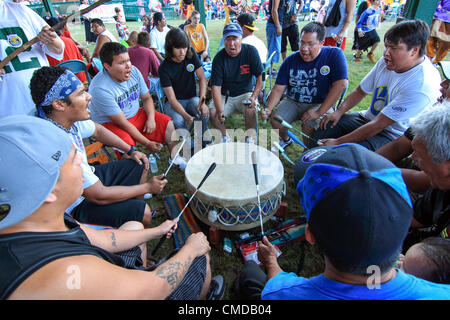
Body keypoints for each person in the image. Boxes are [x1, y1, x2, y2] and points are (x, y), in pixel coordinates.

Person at [0, 114, 223, 300]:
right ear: (47, 191)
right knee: (198, 259)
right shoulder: (61, 273)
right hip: (141, 290)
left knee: (135, 227)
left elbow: (104, 240)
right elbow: (153, 289)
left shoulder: (42, 223)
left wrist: (158, 230)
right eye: (72, 158)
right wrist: (190, 249)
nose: (82, 159)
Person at [237, 143, 450, 299]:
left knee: (250, 275)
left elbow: (276, 281)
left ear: (309, 235)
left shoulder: (282, 293)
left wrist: (272, 261)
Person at [30, 66, 166, 228]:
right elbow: (98, 195)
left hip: (85, 184)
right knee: (142, 212)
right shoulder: (58, 146)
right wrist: (148, 187)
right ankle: (137, 219)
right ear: (59, 104)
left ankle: (133, 210)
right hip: (74, 206)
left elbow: (97, 130)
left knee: (139, 163)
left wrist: (130, 150)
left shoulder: (59, 117)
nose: (89, 96)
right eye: (81, 93)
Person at [310, 20, 441, 152]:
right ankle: (307, 162)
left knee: (346, 152)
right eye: (386, 46)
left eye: (393, 48)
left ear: (414, 50)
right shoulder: (387, 61)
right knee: (327, 125)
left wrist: (338, 142)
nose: (386, 53)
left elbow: (379, 125)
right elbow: (360, 91)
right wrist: (338, 112)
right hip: (368, 119)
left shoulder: (421, 84)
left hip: (392, 135)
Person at [88, 42, 187, 169]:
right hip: (110, 124)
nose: (128, 66)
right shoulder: (100, 88)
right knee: (130, 151)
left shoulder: (134, 71)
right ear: (107, 66)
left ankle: (175, 158)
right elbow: (122, 123)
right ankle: (138, 185)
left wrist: (151, 118)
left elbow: (146, 98)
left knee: (168, 124)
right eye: (121, 63)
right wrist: (147, 143)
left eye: (128, 60)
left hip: (134, 114)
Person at [262, 22, 348, 147]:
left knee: (309, 125)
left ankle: (308, 151)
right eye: (302, 42)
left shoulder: (334, 54)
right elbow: (278, 90)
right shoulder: (290, 60)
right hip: (293, 101)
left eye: (310, 44)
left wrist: (319, 112)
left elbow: (341, 85)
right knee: (276, 121)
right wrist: (268, 108)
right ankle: (286, 139)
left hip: (321, 102)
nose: (304, 48)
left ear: (321, 43)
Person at [0, 0, 64, 118]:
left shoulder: (22, 11)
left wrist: (50, 40)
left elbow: (59, 49)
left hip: (46, 104)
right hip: (8, 113)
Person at [402, 101, 450, 252]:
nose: (413, 158)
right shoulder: (441, 185)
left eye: (420, 154)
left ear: (446, 165)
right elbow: (413, 218)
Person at [209, 23, 263, 143]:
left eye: (235, 38)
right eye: (228, 39)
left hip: (245, 93)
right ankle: (225, 136)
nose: (231, 43)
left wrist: (253, 97)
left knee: (251, 108)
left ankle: (249, 138)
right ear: (224, 40)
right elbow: (215, 87)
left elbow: (260, 76)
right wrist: (219, 109)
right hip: (225, 95)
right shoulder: (219, 58)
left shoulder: (251, 51)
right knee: (212, 112)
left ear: (241, 38)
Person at [159, 28, 209, 136]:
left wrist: (203, 101)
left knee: (204, 113)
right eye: (177, 48)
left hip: (191, 98)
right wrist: (188, 117)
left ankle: (201, 141)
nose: (182, 52)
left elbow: (202, 78)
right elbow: (172, 100)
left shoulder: (190, 53)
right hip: (173, 103)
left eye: (184, 47)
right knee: (178, 121)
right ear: (170, 48)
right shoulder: (164, 68)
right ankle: (190, 146)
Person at [43, 16, 87, 83]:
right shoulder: (69, 41)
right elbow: (80, 60)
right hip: (78, 80)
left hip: (60, 83)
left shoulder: (45, 46)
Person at [266, 0, 285, 73]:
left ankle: (271, 69)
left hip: (275, 24)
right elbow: (274, 11)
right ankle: (270, 70)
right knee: (273, 48)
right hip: (274, 24)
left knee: (274, 48)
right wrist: (278, 26)